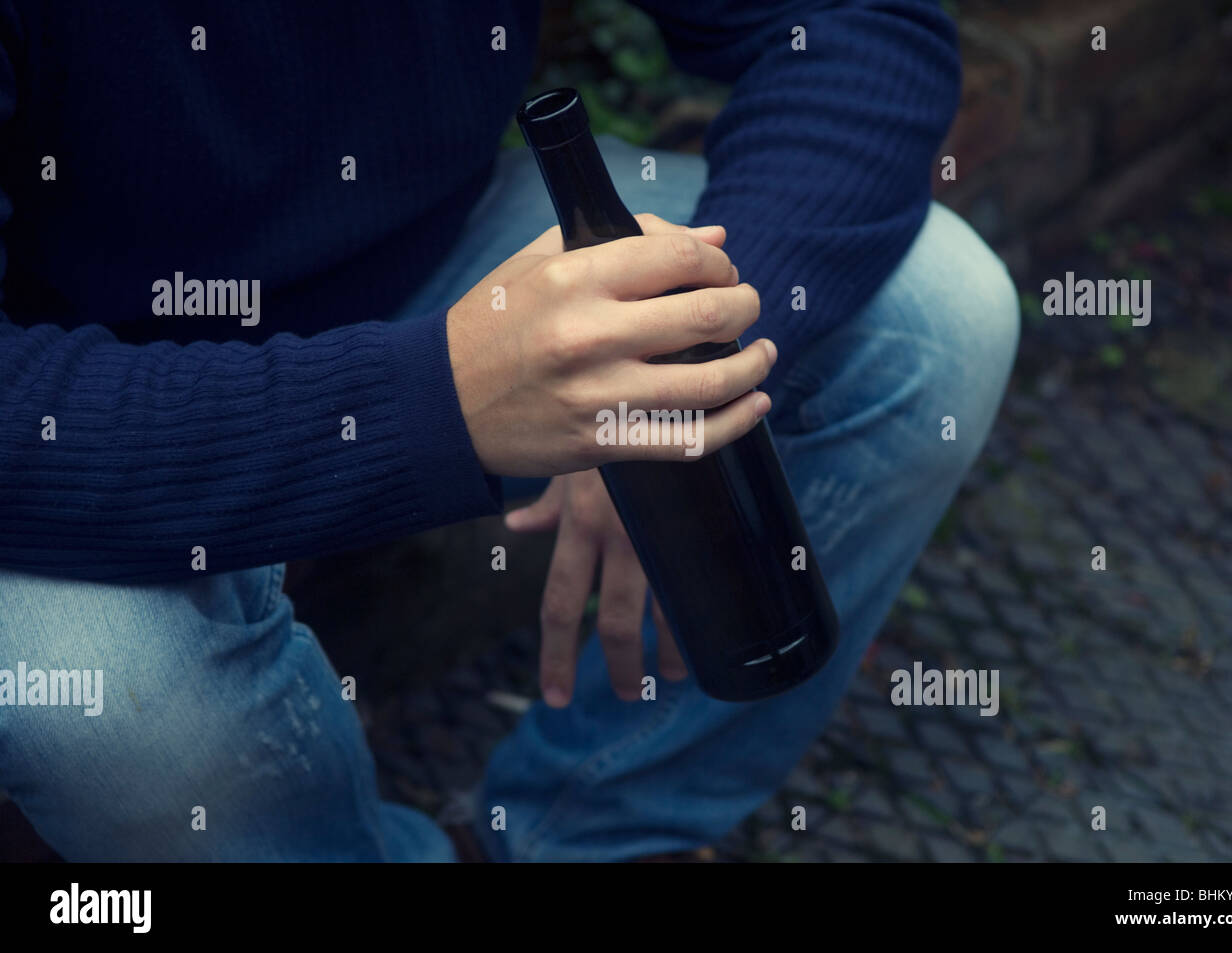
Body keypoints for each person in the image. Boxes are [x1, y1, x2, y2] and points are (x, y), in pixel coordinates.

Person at [0, 0, 1018, 861]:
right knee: (107, 700)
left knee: (936, 316)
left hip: (422, 260)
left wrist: (662, 371)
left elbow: (853, 20)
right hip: (77, 387)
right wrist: (441, 406)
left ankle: (575, 838)